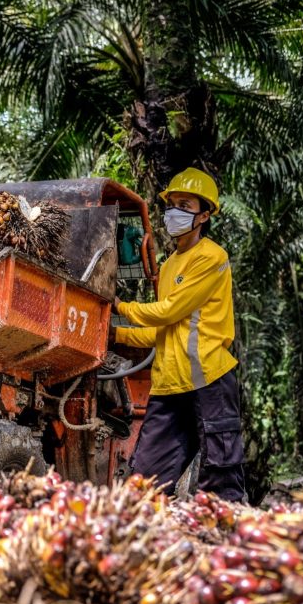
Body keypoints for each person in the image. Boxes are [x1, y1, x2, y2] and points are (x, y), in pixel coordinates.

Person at [113, 168, 245, 502]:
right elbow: (162, 329)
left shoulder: (212, 258)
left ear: (203, 215)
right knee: (143, 485)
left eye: (184, 204)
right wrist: (115, 335)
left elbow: (170, 310)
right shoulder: (170, 264)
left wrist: (121, 307)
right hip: (169, 384)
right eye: (171, 203)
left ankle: (225, 545)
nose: (174, 211)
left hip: (208, 380)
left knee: (220, 476)